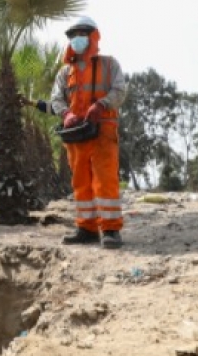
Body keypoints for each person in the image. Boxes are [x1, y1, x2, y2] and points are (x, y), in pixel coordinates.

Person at [43, 16, 127, 248]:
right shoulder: (64, 72)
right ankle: (86, 228)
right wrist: (66, 114)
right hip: (76, 134)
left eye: (82, 34)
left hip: (103, 130)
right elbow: (56, 98)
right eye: (72, 35)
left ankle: (110, 230)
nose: (76, 39)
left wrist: (101, 105)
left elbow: (120, 91)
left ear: (93, 36)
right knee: (81, 181)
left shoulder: (110, 65)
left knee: (105, 180)